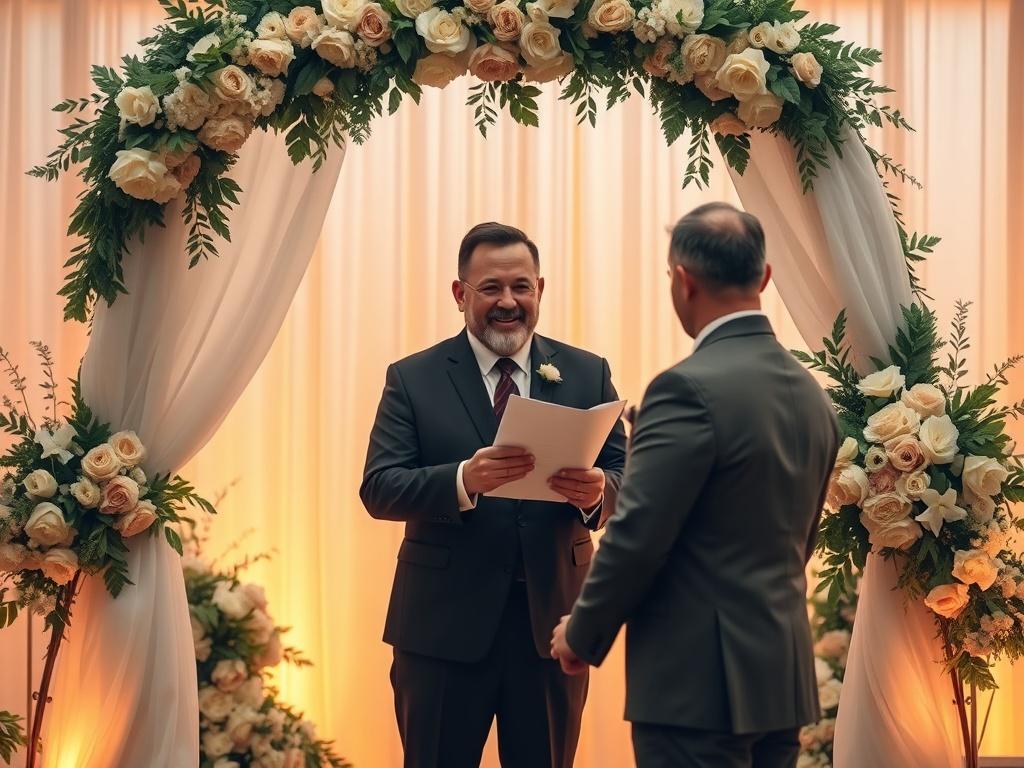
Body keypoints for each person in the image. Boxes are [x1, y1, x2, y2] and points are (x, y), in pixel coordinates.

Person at [550, 202, 840, 768]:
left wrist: (582, 635)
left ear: (682, 282)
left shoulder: (685, 389)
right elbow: (798, 544)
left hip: (695, 688)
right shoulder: (812, 395)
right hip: (781, 680)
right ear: (765, 277)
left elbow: (638, 532)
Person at [361, 222, 627, 768]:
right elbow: (379, 487)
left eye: (521, 287)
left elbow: (631, 481)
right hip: (440, 631)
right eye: (490, 288)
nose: (508, 302)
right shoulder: (412, 378)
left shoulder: (587, 372)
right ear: (460, 294)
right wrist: (462, 480)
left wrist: (600, 494)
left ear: (540, 289)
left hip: (553, 628)